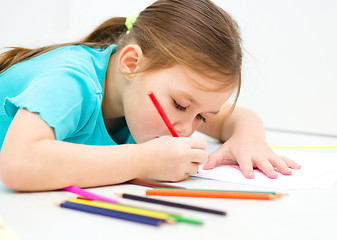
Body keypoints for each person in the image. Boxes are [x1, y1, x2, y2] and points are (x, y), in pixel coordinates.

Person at [0, 0, 300, 191]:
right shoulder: (71, 80)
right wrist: (142, 160)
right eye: (180, 105)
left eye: (201, 117)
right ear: (131, 63)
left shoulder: (144, 92)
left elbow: (237, 117)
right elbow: (17, 165)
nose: (186, 129)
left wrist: (248, 139)